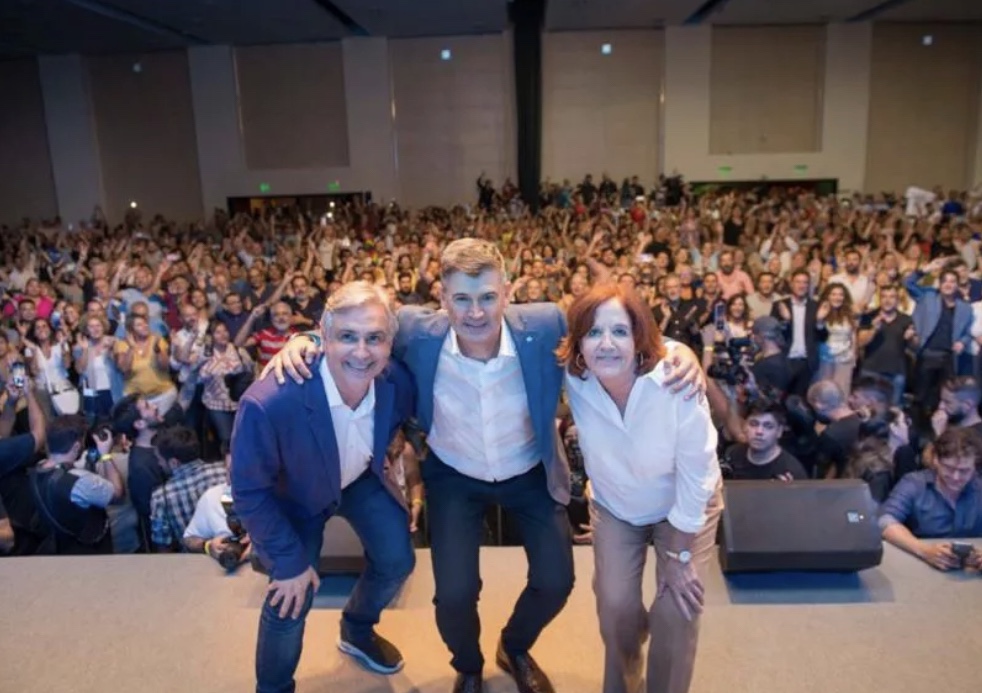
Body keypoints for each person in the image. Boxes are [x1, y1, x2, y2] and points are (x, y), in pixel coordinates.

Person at [265, 240, 704, 693]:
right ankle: (469, 666)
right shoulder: (416, 330)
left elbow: (613, 334)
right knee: (453, 597)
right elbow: (358, 325)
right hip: (454, 475)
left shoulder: (546, 323)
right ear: (441, 297)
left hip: (528, 470)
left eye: (488, 297)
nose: (475, 312)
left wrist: (678, 351)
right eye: (461, 298)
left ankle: (513, 646)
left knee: (556, 581)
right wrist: (306, 340)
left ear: (507, 293)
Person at [232, 282, 416, 692]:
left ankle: (357, 629)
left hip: (358, 478)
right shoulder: (270, 401)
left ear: (390, 343)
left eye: (375, 338)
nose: (362, 352)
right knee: (290, 597)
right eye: (347, 336)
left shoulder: (396, 381)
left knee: (398, 561)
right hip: (294, 499)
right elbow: (249, 490)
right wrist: (287, 561)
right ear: (324, 336)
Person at [558, 281, 719, 693]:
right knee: (614, 609)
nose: (606, 343)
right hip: (617, 505)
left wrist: (681, 554)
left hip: (685, 505)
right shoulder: (576, 378)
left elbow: (698, 472)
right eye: (593, 332)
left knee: (677, 609)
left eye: (619, 331)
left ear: (638, 337)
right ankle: (626, 681)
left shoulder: (676, 379)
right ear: (578, 344)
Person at [879, 427, 982, 571]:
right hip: (923, 566)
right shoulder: (914, 483)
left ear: (975, 467)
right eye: (949, 468)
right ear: (935, 460)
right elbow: (885, 521)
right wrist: (924, 550)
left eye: (964, 471)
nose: (956, 477)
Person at [31, 415, 123, 554]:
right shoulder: (79, 482)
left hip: (62, 546)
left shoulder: (38, 470)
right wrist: (106, 455)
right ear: (76, 446)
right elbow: (117, 493)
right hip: (90, 551)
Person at [148, 426, 228, 552]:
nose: (159, 463)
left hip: (192, 559)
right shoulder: (224, 472)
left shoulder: (161, 497)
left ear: (174, 462)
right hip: (235, 550)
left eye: (159, 459)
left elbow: (163, 544)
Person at [858, 284, 916, 406]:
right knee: (867, 408)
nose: (888, 300)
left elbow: (915, 347)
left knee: (893, 409)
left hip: (896, 373)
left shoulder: (906, 319)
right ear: (880, 299)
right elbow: (860, 342)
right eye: (884, 296)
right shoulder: (869, 317)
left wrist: (911, 338)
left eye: (892, 297)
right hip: (871, 370)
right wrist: (873, 329)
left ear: (897, 300)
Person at [772, 270, 827, 397]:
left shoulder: (816, 306)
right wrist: (785, 322)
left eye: (805, 282)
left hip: (807, 362)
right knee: (781, 398)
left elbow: (823, 337)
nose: (801, 286)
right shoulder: (779, 305)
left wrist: (820, 322)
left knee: (801, 401)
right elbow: (773, 334)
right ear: (791, 284)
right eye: (798, 282)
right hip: (785, 360)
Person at [721, 399, 808, 481]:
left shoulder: (792, 472)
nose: (759, 431)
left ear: (779, 431)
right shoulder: (732, 455)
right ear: (744, 426)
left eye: (768, 426)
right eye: (753, 424)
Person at [815, 282, 857, 396]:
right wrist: (819, 319)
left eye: (840, 294)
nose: (837, 297)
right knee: (824, 390)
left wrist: (854, 355)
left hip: (845, 357)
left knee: (842, 390)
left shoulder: (849, 314)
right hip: (825, 357)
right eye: (833, 294)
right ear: (827, 296)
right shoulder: (821, 311)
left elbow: (853, 335)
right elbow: (818, 333)